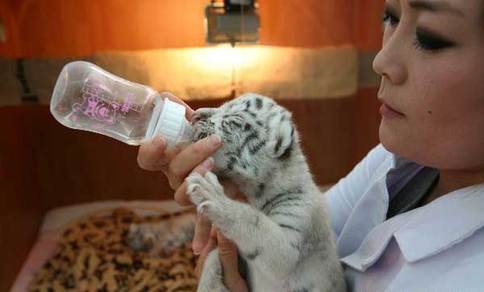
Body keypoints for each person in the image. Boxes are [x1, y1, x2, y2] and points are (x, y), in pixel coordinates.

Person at [137, 0, 484, 290]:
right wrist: (246, 190)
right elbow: (302, 242)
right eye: (390, 16)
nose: (381, 61)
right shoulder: (403, 161)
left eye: (431, 37)